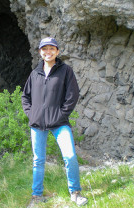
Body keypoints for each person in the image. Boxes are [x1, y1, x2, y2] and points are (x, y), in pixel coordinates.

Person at [21, 37, 88, 207]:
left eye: (52, 48)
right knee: (38, 160)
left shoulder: (65, 71)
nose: (48, 52)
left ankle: (75, 193)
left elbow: (72, 96)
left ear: (57, 51)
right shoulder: (35, 73)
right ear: (40, 52)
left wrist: (60, 115)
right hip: (37, 124)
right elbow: (25, 96)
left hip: (59, 123)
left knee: (70, 156)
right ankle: (36, 197)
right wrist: (32, 114)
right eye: (44, 49)